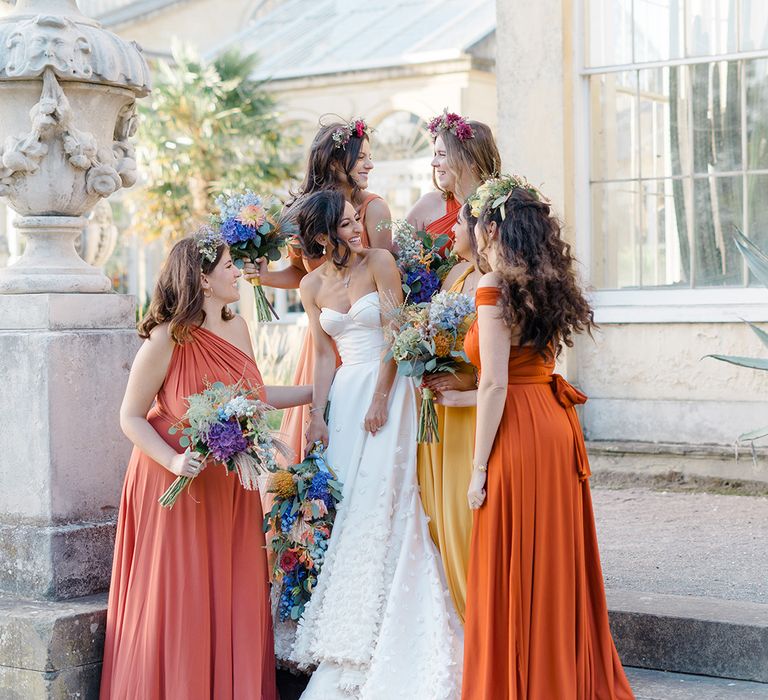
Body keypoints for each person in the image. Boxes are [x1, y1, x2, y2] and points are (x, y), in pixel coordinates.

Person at [99, 231, 311, 700]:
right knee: (182, 600)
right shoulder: (164, 338)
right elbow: (130, 416)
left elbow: (255, 399)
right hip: (175, 481)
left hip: (230, 485)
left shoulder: (238, 327)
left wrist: (322, 391)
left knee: (230, 595)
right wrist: (174, 459)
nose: (239, 271)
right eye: (230, 265)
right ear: (203, 278)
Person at [460, 176, 635, 699]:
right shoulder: (545, 283)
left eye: (475, 226)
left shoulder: (492, 287)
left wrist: (476, 469)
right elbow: (524, 374)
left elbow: (495, 383)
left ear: (491, 227)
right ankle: (560, 678)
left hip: (516, 435)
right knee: (555, 566)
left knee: (511, 563)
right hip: (554, 429)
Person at [290, 190, 463, 699]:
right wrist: (317, 416)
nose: (357, 231)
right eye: (345, 225)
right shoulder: (308, 286)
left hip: (388, 391)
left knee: (384, 501)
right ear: (322, 237)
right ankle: (353, 629)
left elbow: (398, 335)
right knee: (350, 510)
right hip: (345, 398)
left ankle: (390, 623)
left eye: (355, 221)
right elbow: (324, 357)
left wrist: (383, 397)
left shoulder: (381, 262)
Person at [244, 118, 392, 463]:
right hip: (326, 333)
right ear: (336, 162)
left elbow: (389, 273)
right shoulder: (297, 214)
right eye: (362, 157)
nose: (370, 164)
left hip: (368, 330)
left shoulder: (374, 208)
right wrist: (263, 276)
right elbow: (302, 275)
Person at [415, 200, 486, 623]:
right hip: (437, 408)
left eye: (458, 223)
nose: (450, 230)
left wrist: (461, 381)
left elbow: (495, 365)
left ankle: (474, 611)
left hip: (466, 411)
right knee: (435, 516)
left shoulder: (488, 284)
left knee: (461, 519)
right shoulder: (454, 273)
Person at [406, 109, 500, 246]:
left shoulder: (499, 208)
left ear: (471, 159)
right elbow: (395, 262)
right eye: (435, 154)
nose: (434, 163)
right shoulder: (427, 205)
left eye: (442, 154)